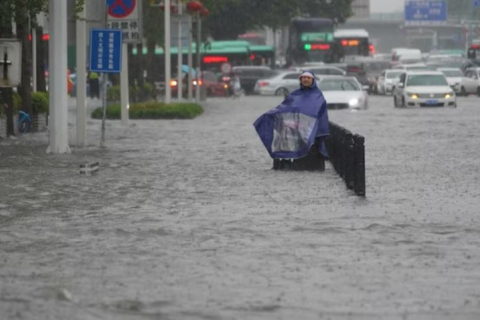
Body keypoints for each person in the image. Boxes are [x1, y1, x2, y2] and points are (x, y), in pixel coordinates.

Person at [253, 70, 330, 169]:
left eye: (308, 78)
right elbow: (284, 108)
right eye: (304, 77)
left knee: (311, 164)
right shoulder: (294, 95)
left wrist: (318, 131)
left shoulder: (318, 96)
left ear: (313, 80)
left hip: (312, 136)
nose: (306, 79)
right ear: (300, 80)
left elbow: (322, 115)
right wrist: (271, 114)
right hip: (295, 134)